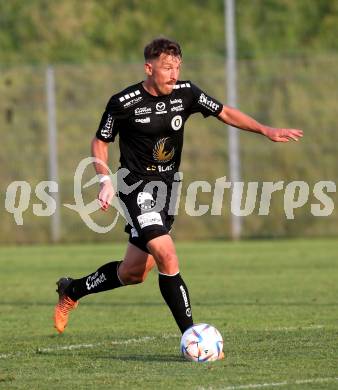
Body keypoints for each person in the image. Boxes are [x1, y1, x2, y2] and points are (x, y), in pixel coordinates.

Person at [53, 37, 303, 336]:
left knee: (133, 272)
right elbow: (100, 141)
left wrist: (265, 129)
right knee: (166, 254)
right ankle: (191, 336)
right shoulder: (123, 102)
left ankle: (72, 290)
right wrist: (104, 180)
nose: (174, 73)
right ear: (149, 68)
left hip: (167, 189)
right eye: (167, 67)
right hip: (134, 186)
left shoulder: (186, 93)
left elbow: (224, 111)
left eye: (178, 67)